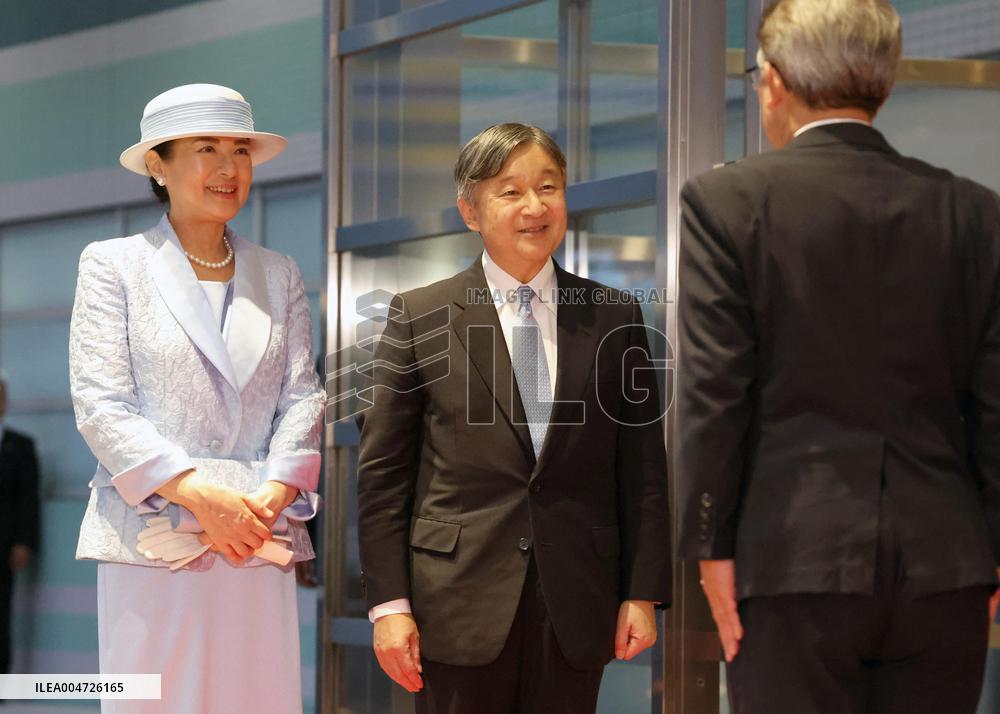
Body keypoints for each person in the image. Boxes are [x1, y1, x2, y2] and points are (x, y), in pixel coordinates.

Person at [676, 2, 1000, 713]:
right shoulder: (975, 212)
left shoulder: (727, 202)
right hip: (947, 564)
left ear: (776, 83)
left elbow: (714, 394)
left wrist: (710, 544)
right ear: (881, 84)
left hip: (790, 558)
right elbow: (995, 403)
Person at [356, 123, 672, 713]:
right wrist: (390, 607)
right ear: (470, 210)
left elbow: (644, 471)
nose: (535, 207)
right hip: (456, 604)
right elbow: (382, 478)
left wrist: (643, 593)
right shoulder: (420, 315)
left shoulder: (614, 315)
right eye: (510, 191)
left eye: (548, 187)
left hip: (577, 598)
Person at [69, 84, 324, 713]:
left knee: (259, 696)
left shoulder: (279, 271)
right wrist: (197, 495)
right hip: (156, 535)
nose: (228, 167)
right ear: (158, 163)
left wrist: (270, 496)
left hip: (257, 536)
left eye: (239, 149)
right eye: (205, 148)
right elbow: (101, 403)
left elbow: (303, 397)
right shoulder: (113, 264)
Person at [0, 377, 40, 675]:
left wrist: (24, 542)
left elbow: (29, 498)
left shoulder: (20, 446)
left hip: (5, 544)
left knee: (2, 614)